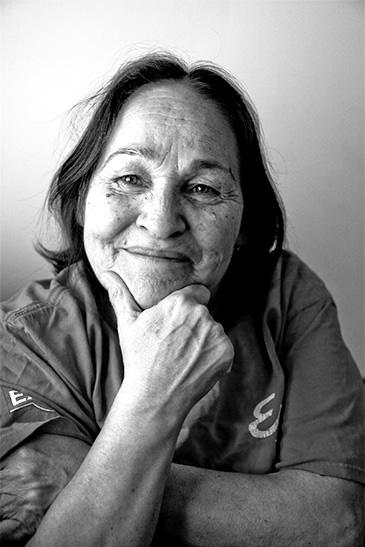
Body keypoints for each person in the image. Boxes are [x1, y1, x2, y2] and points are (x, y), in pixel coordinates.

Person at [0, 52, 363, 546]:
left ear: (245, 226)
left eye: (202, 188)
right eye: (129, 178)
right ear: (83, 198)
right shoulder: (24, 336)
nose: (161, 219)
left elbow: (339, 522)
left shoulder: (290, 295)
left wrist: (82, 477)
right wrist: (155, 395)